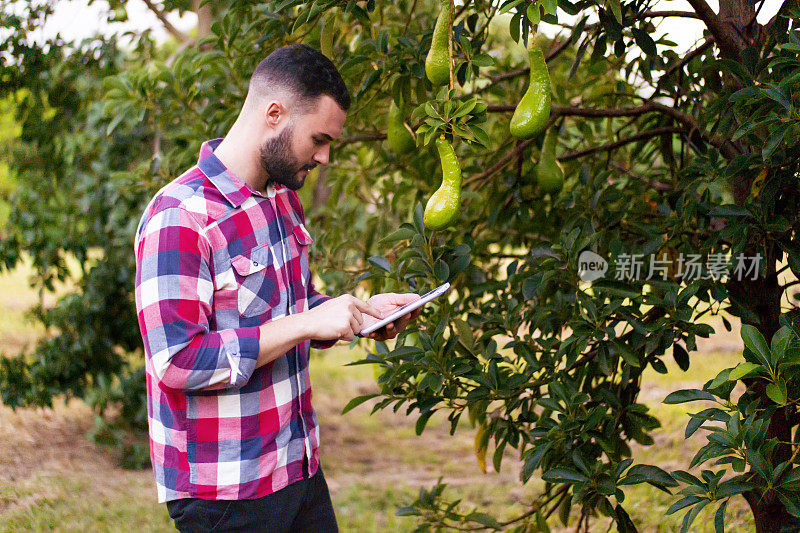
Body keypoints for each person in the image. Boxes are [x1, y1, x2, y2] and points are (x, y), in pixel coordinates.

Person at [133, 43, 421, 532]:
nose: (326, 157)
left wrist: (362, 313)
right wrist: (305, 322)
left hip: (296, 466)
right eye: (320, 138)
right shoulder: (180, 218)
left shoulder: (282, 200)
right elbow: (176, 362)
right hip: (225, 491)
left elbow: (293, 308)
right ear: (274, 114)